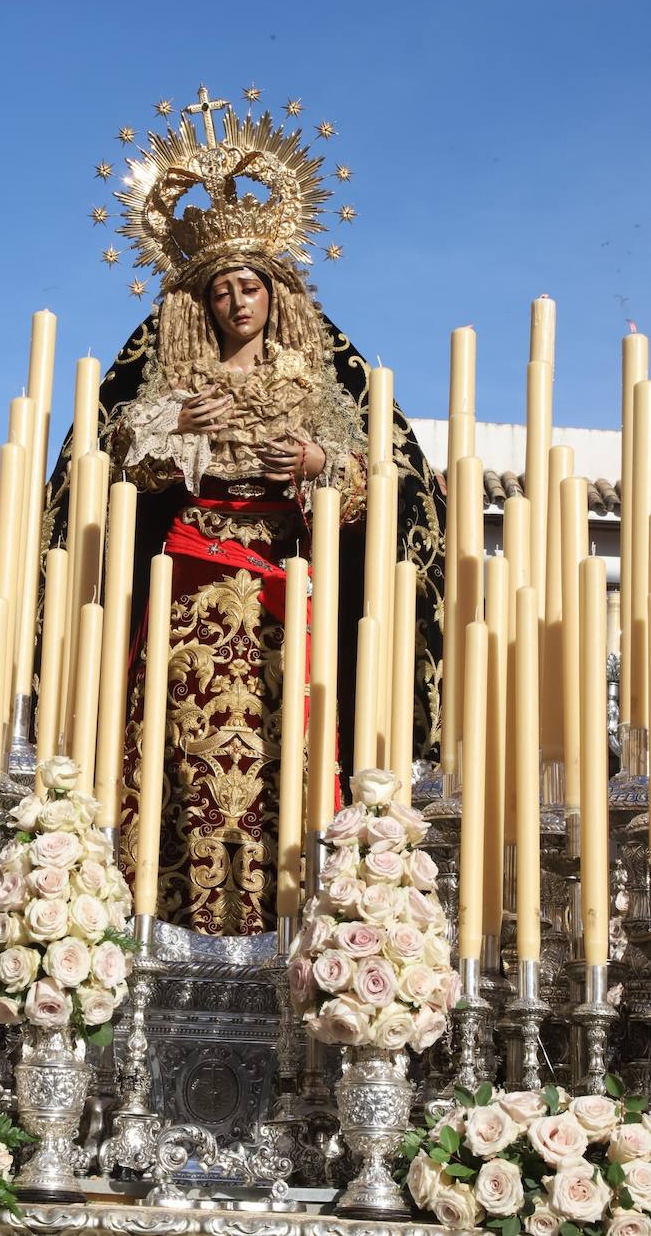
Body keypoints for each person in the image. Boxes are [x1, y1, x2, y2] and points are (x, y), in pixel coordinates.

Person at [43, 91, 445, 936]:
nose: (237, 302)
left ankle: (285, 910)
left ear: (275, 294)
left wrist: (311, 463)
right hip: (189, 581)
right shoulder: (178, 390)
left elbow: (369, 480)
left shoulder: (316, 386)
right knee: (180, 742)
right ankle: (165, 909)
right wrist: (176, 429)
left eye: (251, 286)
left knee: (283, 735)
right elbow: (128, 464)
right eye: (222, 289)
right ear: (205, 303)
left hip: (282, 585)